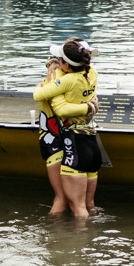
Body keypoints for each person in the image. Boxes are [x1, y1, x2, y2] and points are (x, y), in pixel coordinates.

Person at [34, 38, 100, 218]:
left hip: (69, 138)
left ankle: (58, 234)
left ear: (65, 64)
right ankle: (86, 233)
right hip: (64, 137)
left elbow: (55, 105)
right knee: (82, 203)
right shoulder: (89, 73)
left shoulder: (61, 78)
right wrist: (89, 107)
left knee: (69, 201)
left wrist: (50, 67)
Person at [36, 52, 72, 215]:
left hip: (50, 142)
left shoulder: (48, 81)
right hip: (60, 142)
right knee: (65, 198)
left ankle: (56, 229)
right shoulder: (69, 81)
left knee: (62, 198)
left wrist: (50, 62)